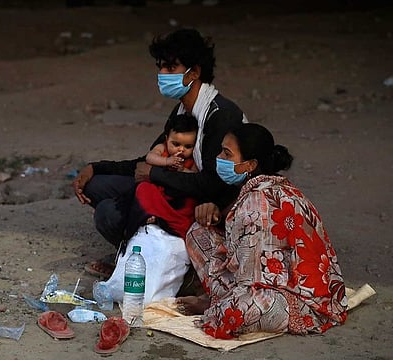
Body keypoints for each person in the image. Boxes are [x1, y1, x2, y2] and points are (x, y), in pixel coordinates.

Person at [73, 28, 247, 277]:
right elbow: (148, 160)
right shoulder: (182, 111)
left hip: (208, 202)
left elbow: (215, 183)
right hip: (180, 184)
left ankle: (144, 260)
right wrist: (97, 168)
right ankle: (141, 248)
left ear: (194, 73)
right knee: (96, 185)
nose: (162, 75)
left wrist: (155, 175)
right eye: (161, 67)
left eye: (170, 68)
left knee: (108, 214)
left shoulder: (220, 116)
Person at [176, 123, 348, 339]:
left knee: (235, 311)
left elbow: (251, 282)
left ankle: (215, 303)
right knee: (198, 233)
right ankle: (218, 301)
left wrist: (213, 304)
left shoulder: (255, 204)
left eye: (227, 154)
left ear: (250, 165)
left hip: (296, 300)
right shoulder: (275, 188)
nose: (219, 157)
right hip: (272, 281)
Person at [125, 113, 198, 241]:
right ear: (166, 139)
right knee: (144, 188)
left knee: (191, 203)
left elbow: (195, 177)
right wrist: (167, 161)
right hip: (160, 194)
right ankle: (152, 215)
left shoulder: (193, 160)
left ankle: (168, 222)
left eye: (188, 146)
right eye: (175, 144)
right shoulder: (162, 148)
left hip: (177, 199)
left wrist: (183, 170)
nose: (181, 150)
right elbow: (149, 157)